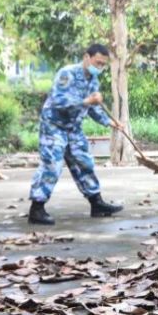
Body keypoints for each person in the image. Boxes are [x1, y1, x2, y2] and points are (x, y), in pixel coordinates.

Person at [28, 44, 124, 225]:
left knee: (84, 162)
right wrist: (87, 100)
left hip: (73, 127)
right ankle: (37, 208)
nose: (100, 67)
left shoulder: (93, 81)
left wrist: (110, 122)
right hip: (54, 125)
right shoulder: (67, 74)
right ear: (86, 57)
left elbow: (93, 109)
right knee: (52, 165)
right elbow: (59, 101)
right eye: (97, 62)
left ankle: (97, 204)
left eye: (103, 65)